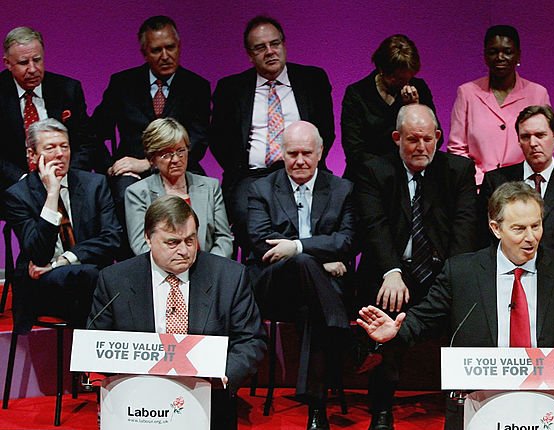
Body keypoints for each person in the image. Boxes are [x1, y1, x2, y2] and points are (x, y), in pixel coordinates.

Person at [356, 180, 554, 430]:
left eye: (536, 226)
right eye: (519, 228)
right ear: (496, 228)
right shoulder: (462, 272)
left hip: (550, 405)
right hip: (481, 403)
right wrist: (395, 332)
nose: (531, 237)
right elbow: (424, 318)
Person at [90, 195, 266, 430]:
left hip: (208, 409)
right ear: (148, 239)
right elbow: (97, 343)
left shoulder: (228, 277)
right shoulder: (114, 280)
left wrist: (225, 374)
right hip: (137, 409)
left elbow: (251, 340)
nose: (184, 250)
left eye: (190, 240)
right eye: (172, 242)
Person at [351, 104, 476, 430]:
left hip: (441, 272)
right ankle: (381, 411)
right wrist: (391, 271)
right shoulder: (374, 170)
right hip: (392, 272)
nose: (421, 147)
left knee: (471, 303)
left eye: (427, 139)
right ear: (397, 139)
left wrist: (453, 282)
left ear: (438, 138)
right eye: (412, 140)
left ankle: (468, 405)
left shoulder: (458, 170)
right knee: (388, 305)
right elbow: (374, 225)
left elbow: (463, 232)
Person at [247, 120, 356, 430]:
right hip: (273, 286)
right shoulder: (261, 189)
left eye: (306, 153)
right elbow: (260, 243)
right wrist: (319, 258)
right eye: (292, 153)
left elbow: (349, 240)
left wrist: (296, 247)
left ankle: (317, 411)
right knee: (307, 264)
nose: (299, 160)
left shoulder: (341, 189)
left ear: (321, 153)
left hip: (316, 294)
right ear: (281, 153)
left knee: (314, 309)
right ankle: (347, 334)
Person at [210, 15, 335, 252]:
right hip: (252, 177)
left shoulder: (312, 80)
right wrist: (241, 167)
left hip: (305, 170)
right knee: (248, 220)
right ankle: (265, 271)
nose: (270, 51)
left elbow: (325, 133)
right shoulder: (230, 88)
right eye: (260, 47)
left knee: (328, 215)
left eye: (275, 44)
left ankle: (313, 261)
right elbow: (219, 141)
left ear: (284, 45)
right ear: (249, 55)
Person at [92, 16, 212, 228]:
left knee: (205, 194)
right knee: (123, 195)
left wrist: (150, 164)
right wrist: (111, 168)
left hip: (182, 167)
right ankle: (134, 259)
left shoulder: (196, 86)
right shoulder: (122, 84)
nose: (165, 56)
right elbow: (93, 133)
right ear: (144, 53)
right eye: (157, 50)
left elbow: (198, 141)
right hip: (131, 174)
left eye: (170, 47)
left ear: (179, 46)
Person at [4, 118, 121, 335]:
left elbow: (112, 237)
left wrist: (62, 261)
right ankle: (88, 360)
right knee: (89, 278)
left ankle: (82, 361)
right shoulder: (18, 196)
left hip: (85, 278)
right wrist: (52, 194)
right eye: (50, 148)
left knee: (90, 276)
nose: (60, 154)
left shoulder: (94, 185)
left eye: (64, 146)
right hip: (44, 286)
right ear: (32, 154)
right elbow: (39, 254)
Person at [479, 105, 554, 262]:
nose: (533, 143)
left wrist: (552, 272)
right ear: (518, 141)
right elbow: (483, 238)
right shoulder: (495, 181)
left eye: (540, 135)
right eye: (525, 137)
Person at [448, 25, 550, 184]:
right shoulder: (467, 93)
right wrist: (481, 180)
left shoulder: (537, 94)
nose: (500, 57)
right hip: (476, 187)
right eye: (493, 52)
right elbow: (457, 149)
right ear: (485, 55)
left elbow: (544, 145)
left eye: (507, 52)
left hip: (523, 188)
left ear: (518, 56)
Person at [0, 26, 96, 188]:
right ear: (7, 63)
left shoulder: (68, 89)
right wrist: (23, 181)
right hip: (12, 184)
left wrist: (66, 176)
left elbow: (85, 142)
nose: (32, 69)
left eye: (37, 60)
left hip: (65, 180)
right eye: (23, 62)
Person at [124, 118, 232, 258]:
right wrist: (175, 267)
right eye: (166, 154)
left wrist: (208, 268)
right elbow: (141, 245)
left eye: (181, 151)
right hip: (163, 272)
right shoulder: (137, 193)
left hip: (207, 270)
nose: (176, 159)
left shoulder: (210, 187)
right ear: (152, 159)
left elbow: (224, 239)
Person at [341, 34, 439, 178]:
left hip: (408, 175)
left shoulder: (419, 88)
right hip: (367, 175)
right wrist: (387, 170)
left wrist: (413, 110)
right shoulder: (357, 94)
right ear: (382, 70)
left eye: (409, 77)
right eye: (399, 79)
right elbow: (354, 150)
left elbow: (436, 137)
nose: (405, 84)